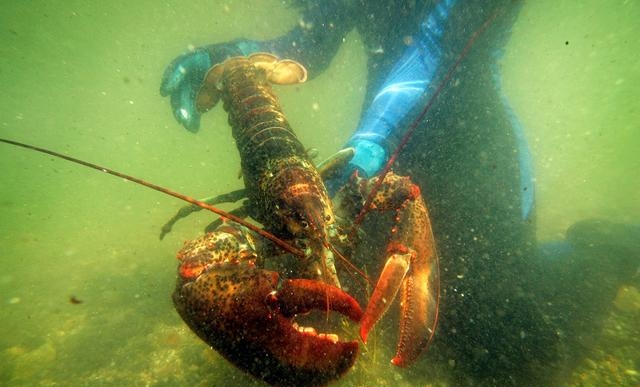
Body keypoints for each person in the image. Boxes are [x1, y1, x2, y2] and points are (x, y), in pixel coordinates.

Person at [160, 1, 638, 386]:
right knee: (319, 278)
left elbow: (434, 51)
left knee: (506, 357)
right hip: (373, 156)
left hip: (471, 149)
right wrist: (228, 53)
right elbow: (312, 40)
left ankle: (603, 250)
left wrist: (372, 141)